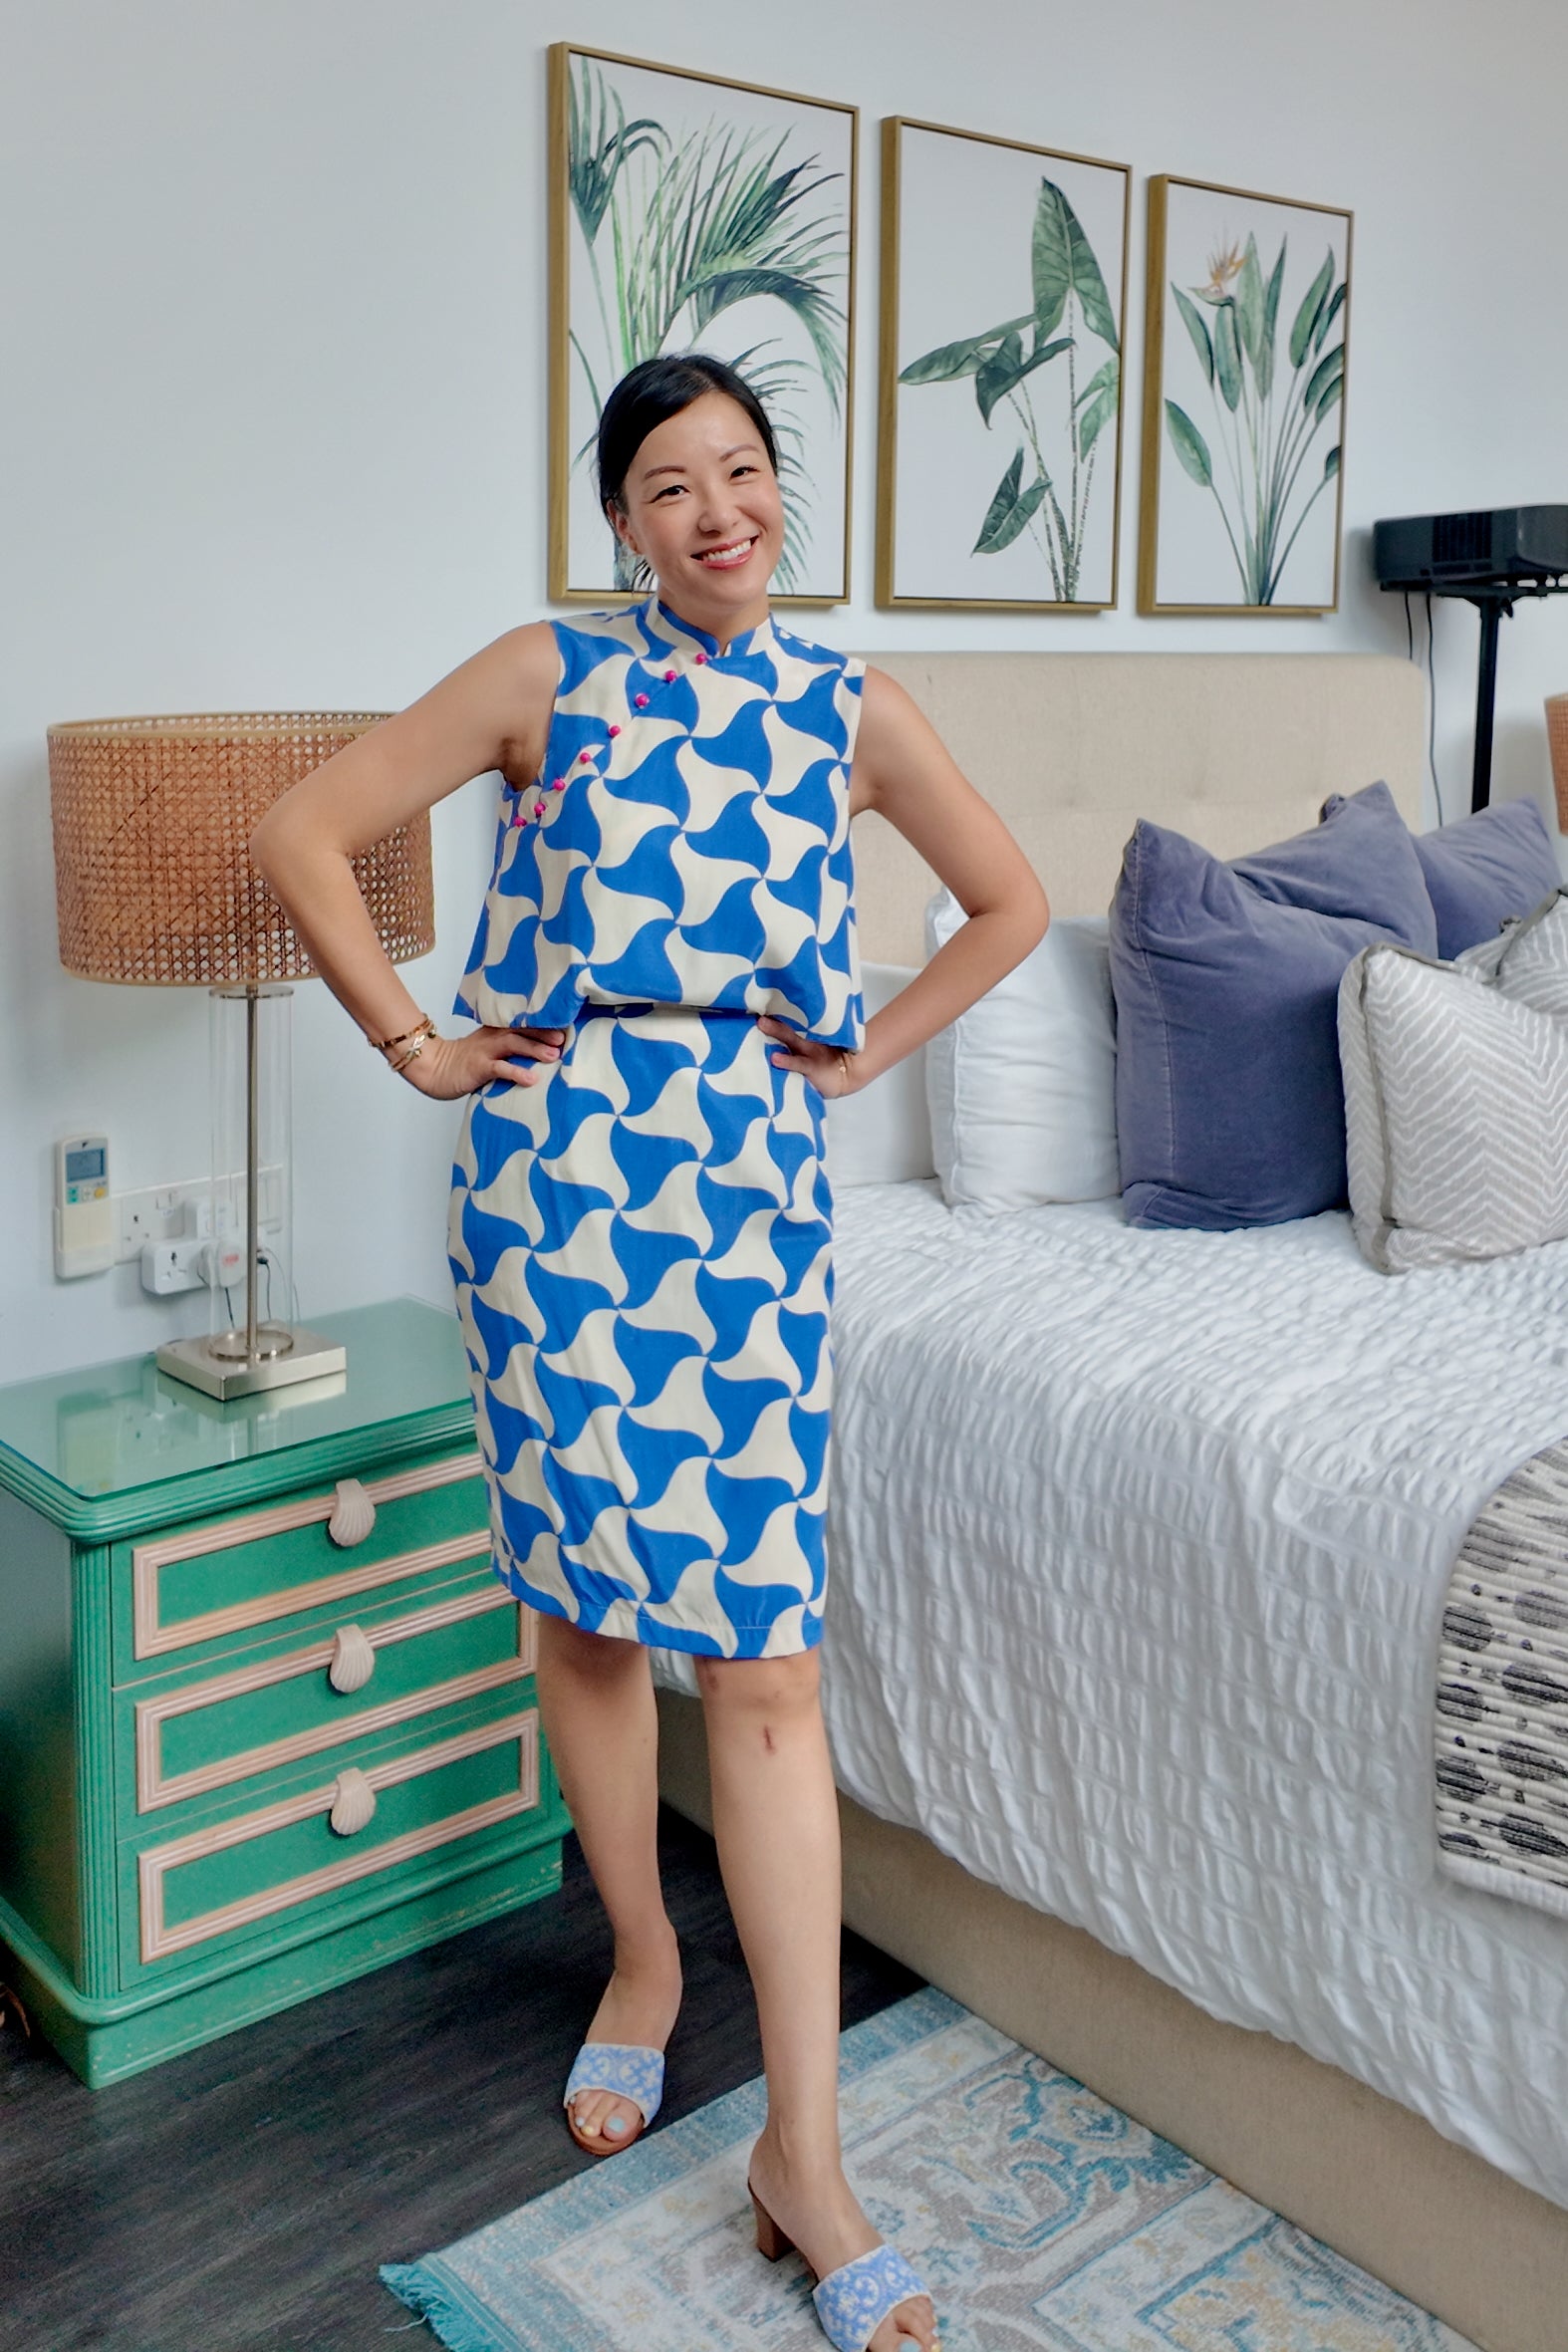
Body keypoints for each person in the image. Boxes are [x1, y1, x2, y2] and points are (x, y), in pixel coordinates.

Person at [251, 351, 1048, 2352]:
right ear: (621, 518)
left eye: (744, 470)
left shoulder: (850, 707)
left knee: (766, 1664)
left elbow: (1010, 901)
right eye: (672, 482)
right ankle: (639, 1957)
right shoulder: (547, 673)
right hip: (554, 1189)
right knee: (589, 1616)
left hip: (747, 1198)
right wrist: (416, 1042)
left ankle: (806, 2150)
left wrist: (859, 1049)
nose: (718, 509)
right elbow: (304, 829)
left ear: (780, 492)